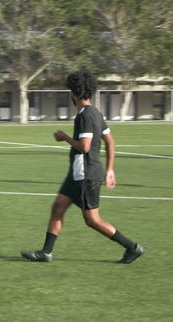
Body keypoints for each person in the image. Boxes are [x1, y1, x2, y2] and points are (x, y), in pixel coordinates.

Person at [22, 70, 145, 264]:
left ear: (74, 93)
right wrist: (110, 169)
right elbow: (110, 141)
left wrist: (64, 138)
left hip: (85, 175)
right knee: (58, 208)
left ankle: (132, 247)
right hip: (76, 175)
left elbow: (85, 146)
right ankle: (46, 252)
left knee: (92, 220)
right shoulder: (96, 112)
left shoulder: (85, 116)